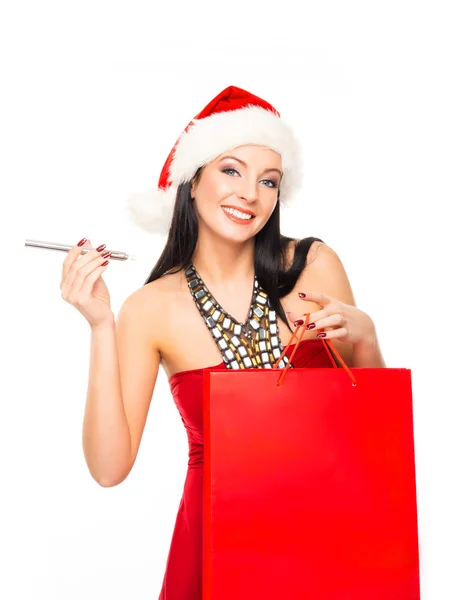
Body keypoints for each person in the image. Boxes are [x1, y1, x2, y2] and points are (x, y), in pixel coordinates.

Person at [60, 85, 386, 599]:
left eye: (269, 180)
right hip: (215, 547)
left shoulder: (314, 266)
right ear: (191, 182)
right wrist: (101, 326)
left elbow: (371, 431)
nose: (250, 194)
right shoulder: (150, 308)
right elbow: (109, 468)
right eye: (231, 170)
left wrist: (366, 339)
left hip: (327, 538)